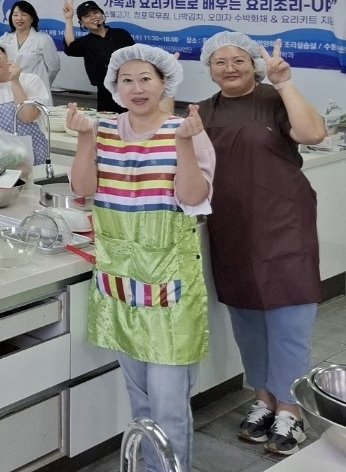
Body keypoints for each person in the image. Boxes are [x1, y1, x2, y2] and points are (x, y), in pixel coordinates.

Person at [64, 45, 215, 472]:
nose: (137, 88)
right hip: (120, 281)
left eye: (146, 78)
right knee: (140, 398)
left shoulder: (185, 130)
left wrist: (184, 143)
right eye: (126, 80)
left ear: (164, 82)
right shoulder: (104, 130)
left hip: (170, 283)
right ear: (114, 87)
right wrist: (84, 138)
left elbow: (192, 197)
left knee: (168, 402)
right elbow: (83, 186)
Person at [195, 32, 327, 456]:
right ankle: (263, 399)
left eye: (238, 60)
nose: (229, 68)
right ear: (209, 68)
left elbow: (313, 134)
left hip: (284, 220)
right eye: (219, 62)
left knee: (289, 316)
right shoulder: (202, 111)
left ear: (253, 63)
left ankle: (291, 408)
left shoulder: (273, 98)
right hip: (231, 225)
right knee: (247, 319)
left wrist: (285, 82)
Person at [0, 37, 52, 166]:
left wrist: (15, 81)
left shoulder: (30, 81)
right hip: (0, 162)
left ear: (6, 54)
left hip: (35, 157)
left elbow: (27, 116)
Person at [63, 0, 135, 112]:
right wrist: (68, 19)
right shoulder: (85, 42)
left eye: (95, 13)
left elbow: (135, 57)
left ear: (102, 14)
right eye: (87, 16)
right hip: (105, 92)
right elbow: (71, 47)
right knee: (107, 126)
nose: (93, 17)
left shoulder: (121, 34)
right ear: (81, 23)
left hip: (129, 88)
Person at [0, 0, 60, 86]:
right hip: (12, 87)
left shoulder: (43, 39)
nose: (19, 18)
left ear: (32, 18)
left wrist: (43, 85)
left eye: (24, 14)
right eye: (15, 15)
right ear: (11, 18)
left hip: (35, 88)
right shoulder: (6, 38)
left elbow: (54, 68)